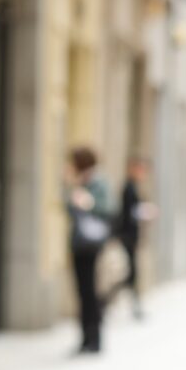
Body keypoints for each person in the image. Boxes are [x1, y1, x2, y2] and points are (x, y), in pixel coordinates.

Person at [64, 146, 113, 354]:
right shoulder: (79, 182)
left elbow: (107, 209)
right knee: (82, 291)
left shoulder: (98, 183)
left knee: (90, 291)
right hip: (78, 242)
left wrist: (88, 202)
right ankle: (85, 338)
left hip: (91, 244)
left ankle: (94, 338)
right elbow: (68, 209)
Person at [102, 156, 155, 319]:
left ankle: (127, 304)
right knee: (128, 273)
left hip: (130, 236)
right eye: (140, 169)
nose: (142, 173)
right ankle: (106, 301)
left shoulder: (133, 187)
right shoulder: (128, 188)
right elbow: (127, 213)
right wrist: (144, 211)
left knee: (130, 273)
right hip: (127, 237)